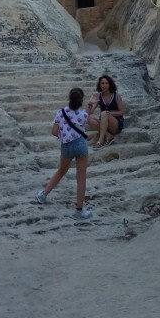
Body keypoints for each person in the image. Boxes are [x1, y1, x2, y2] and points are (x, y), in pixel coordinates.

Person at [36, 87, 95, 220]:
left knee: (61, 171)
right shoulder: (83, 115)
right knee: (81, 178)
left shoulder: (60, 112)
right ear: (81, 101)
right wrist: (90, 110)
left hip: (66, 146)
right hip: (80, 145)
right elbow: (88, 121)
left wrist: (64, 135)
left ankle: (43, 195)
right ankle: (79, 210)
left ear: (69, 99)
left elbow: (54, 132)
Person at [86, 74, 124, 148]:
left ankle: (100, 140)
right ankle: (108, 135)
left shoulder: (116, 95)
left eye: (106, 83)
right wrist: (90, 103)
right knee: (87, 117)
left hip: (115, 123)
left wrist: (109, 114)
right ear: (99, 85)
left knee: (104, 113)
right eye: (102, 83)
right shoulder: (99, 96)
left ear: (110, 84)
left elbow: (121, 112)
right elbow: (88, 113)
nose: (104, 85)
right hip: (104, 124)